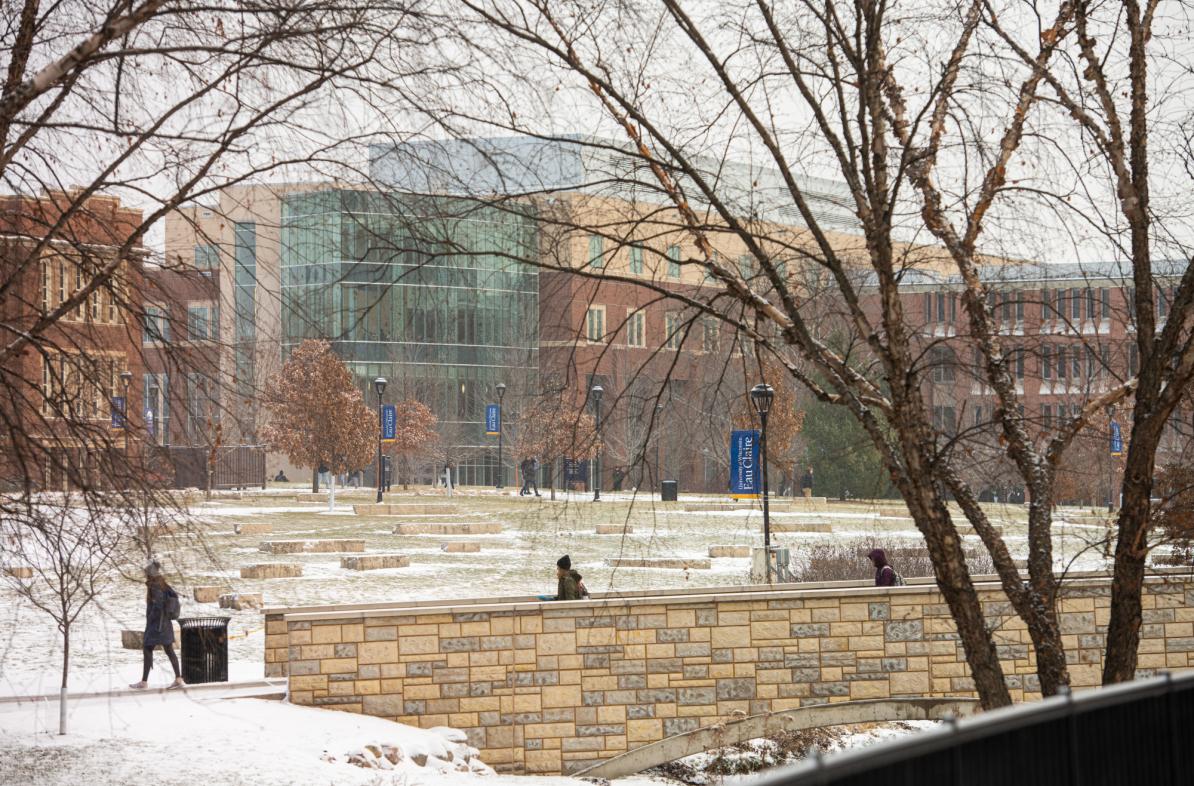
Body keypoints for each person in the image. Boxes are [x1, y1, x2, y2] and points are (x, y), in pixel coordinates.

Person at [130, 560, 184, 690]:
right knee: (168, 650)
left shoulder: (155, 586)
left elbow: (158, 605)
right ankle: (178, 678)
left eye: (146, 573)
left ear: (150, 574)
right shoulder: (162, 584)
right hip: (164, 623)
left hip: (157, 625)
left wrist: (151, 618)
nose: (145, 575)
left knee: (148, 649)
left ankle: (144, 682)